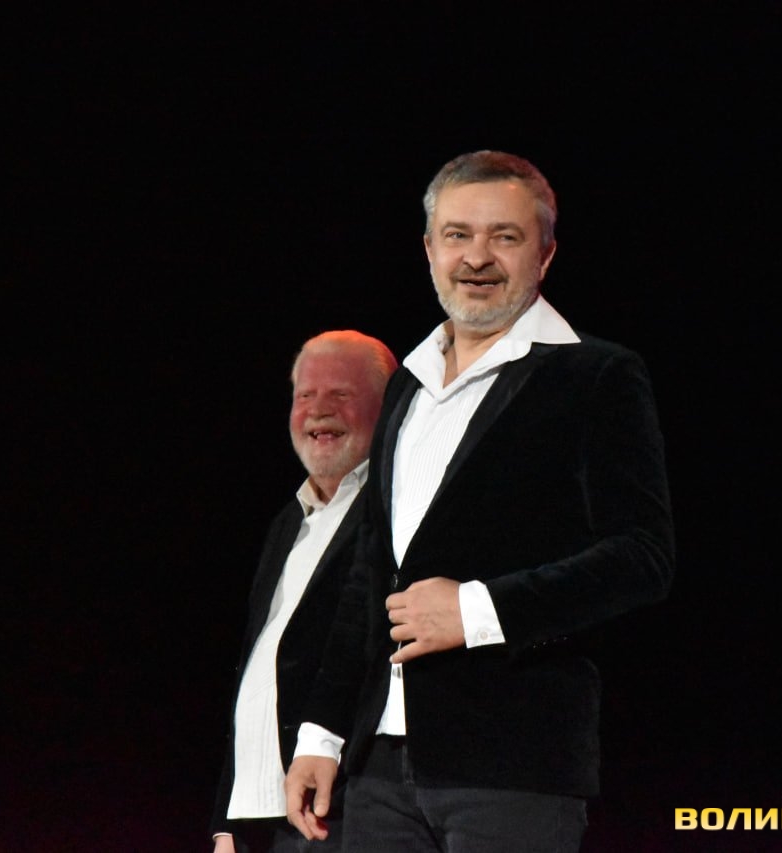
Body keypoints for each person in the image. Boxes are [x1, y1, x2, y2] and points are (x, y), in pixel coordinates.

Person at [283, 150, 676, 852]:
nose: (477, 257)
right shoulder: (406, 384)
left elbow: (642, 558)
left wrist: (476, 611)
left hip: (514, 763)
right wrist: (322, 733)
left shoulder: (595, 375)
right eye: (458, 235)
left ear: (545, 253)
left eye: (505, 236)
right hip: (378, 770)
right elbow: (370, 572)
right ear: (429, 249)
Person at [210, 329, 398, 853]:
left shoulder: (394, 510)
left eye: (341, 394)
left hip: (344, 810)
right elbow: (257, 670)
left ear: (387, 408)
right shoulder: (288, 523)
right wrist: (226, 821)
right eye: (306, 395)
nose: (319, 410)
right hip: (262, 819)